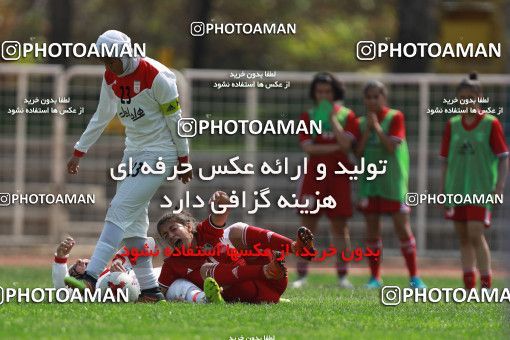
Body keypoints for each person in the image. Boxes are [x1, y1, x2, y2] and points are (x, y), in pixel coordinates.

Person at [65, 30, 192, 302]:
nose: (108, 66)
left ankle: (89, 277)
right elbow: (102, 114)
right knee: (134, 225)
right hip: (132, 153)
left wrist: (184, 158)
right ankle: (150, 290)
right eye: (103, 61)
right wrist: (80, 150)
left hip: (161, 153)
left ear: (125, 53)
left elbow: (176, 120)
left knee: (119, 209)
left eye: (111, 59)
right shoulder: (110, 75)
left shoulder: (158, 76)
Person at [157, 191, 316, 303]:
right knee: (206, 270)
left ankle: (295, 248)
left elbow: (219, 216)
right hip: (246, 292)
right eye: (165, 235)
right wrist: (174, 299)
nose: (170, 236)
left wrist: (222, 202)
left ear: (189, 226)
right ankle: (268, 269)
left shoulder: (205, 232)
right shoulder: (172, 264)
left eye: (173, 229)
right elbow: (157, 294)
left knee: (237, 230)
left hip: (274, 279)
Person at [440, 73, 508, 289]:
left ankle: (486, 284)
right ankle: (468, 284)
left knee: (475, 233)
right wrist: (444, 190)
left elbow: (503, 158)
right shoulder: (452, 124)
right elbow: (445, 160)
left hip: (481, 188)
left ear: (480, 97)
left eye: (471, 97)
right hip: (457, 188)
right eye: (462, 97)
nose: (466, 101)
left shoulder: (490, 123)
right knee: (462, 237)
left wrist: (499, 187)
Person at [355, 80, 426, 289]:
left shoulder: (396, 117)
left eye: (376, 96)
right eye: (368, 97)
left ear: (384, 98)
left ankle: (414, 277)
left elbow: (391, 147)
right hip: (369, 183)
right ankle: (375, 278)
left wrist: (376, 127)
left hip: (393, 183)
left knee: (402, 228)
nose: (372, 100)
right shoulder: (360, 123)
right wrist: (367, 130)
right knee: (372, 231)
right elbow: (357, 152)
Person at [294, 72, 359, 289]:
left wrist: (333, 121)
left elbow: (348, 145)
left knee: (340, 226)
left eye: (328, 91)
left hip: (339, 176)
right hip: (313, 176)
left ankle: (342, 276)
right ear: (314, 93)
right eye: (320, 91)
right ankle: (301, 275)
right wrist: (335, 147)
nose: (323, 95)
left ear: (335, 93)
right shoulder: (308, 116)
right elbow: (308, 147)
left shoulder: (348, 116)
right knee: (307, 225)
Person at [54, 236, 222, 303]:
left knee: (182, 283)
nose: (82, 260)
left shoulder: (115, 265)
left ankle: (213, 296)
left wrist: (119, 260)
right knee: (182, 286)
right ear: (78, 279)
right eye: (78, 266)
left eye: (82, 260)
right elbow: (61, 292)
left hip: (157, 281)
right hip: (150, 294)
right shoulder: (92, 290)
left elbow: (148, 242)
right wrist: (60, 259)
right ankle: (206, 299)